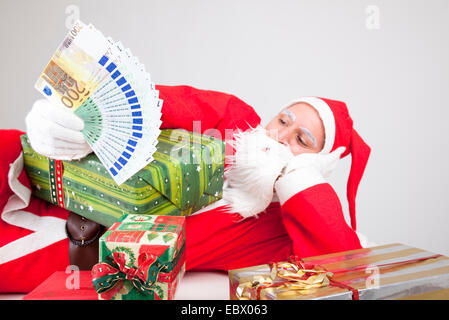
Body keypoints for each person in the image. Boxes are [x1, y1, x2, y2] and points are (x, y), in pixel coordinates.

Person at [0, 85, 370, 293]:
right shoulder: (234, 119)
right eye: (282, 120)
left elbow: (345, 273)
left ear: (322, 163)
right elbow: (154, 103)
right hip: (45, 170)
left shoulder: (279, 230)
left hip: (63, 247)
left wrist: (302, 179)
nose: (278, 136)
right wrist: (87, 119)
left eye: (301, 140)